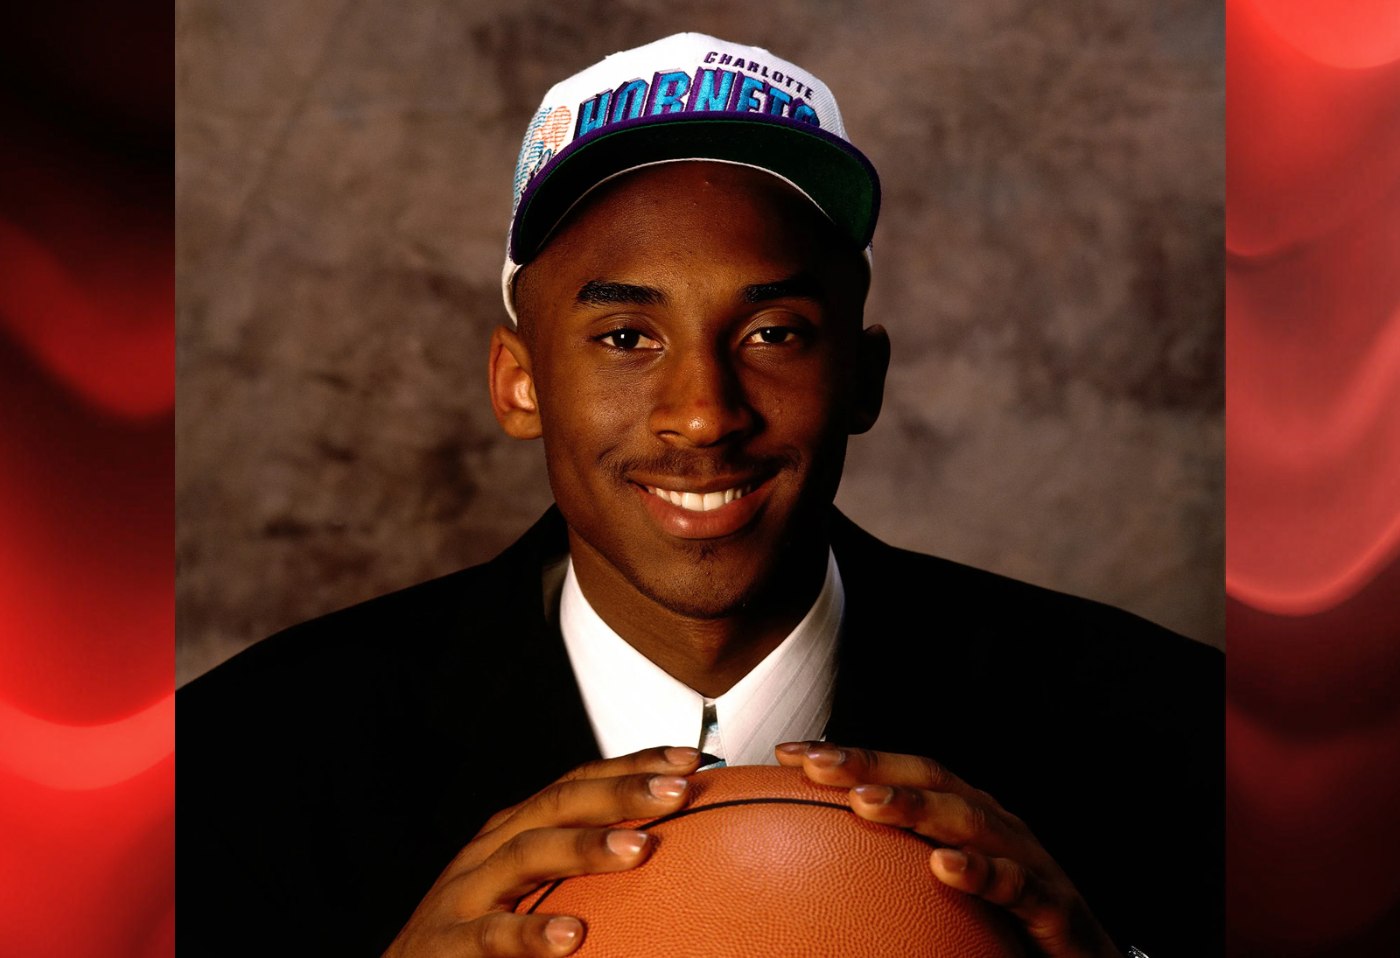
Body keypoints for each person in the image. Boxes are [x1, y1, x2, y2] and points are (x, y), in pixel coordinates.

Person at [178, 33, 1221, 958]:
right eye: (626, 337)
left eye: (773, 333)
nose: (703, 414)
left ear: (861, 379)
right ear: (520, 383)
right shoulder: (237, 763)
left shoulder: (1178, 734)